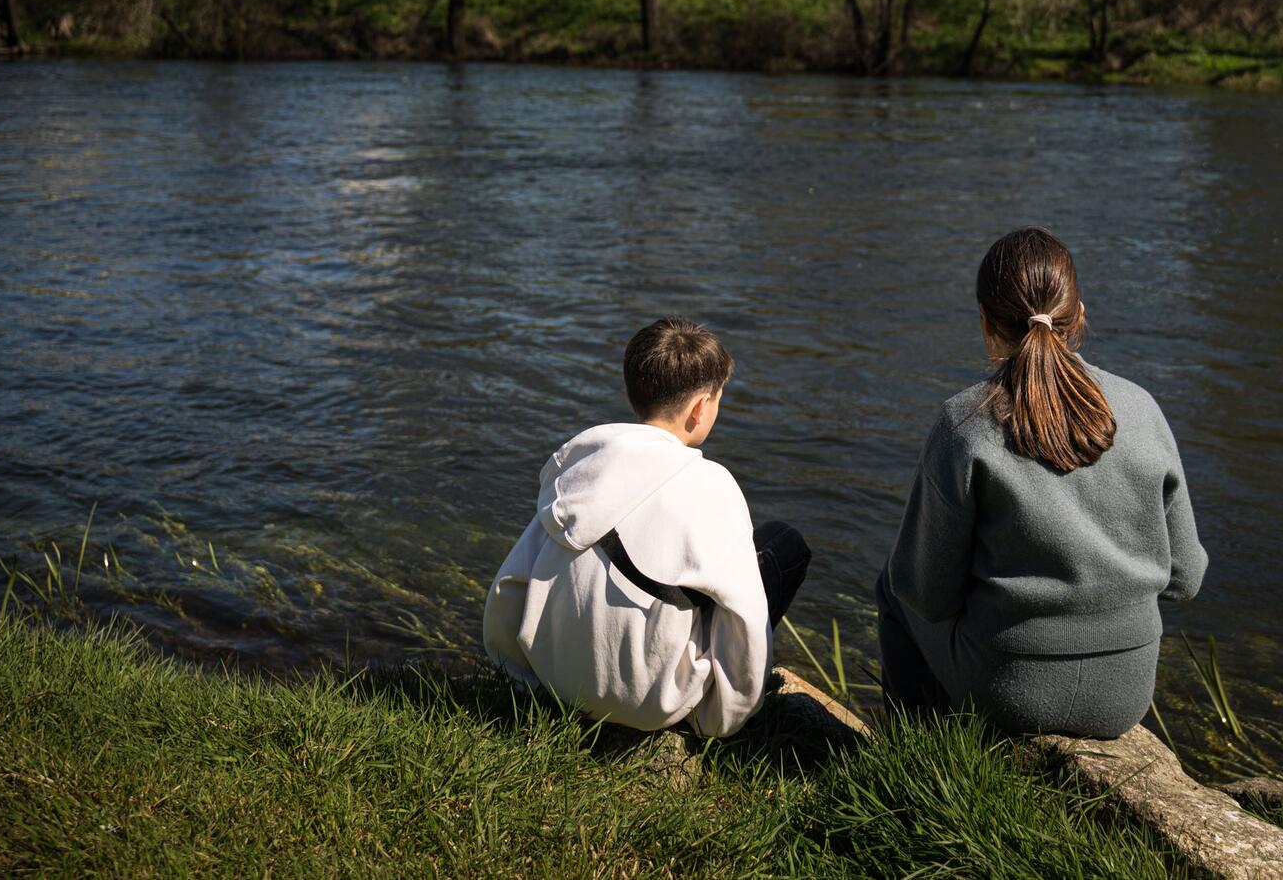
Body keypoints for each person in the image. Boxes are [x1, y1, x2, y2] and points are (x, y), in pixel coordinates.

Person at [875, 227, 1208, 738]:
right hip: (1127, 692)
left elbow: (926, 592)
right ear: (1080, 314)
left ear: (986, 321)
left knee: (892, 588)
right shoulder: (1142, 409)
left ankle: (917, 754)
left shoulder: (964, 424)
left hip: (1009, 685)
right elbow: (1186, 578)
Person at [482, 318, 809, 737]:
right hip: (652, 703)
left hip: (557, 682)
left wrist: (523, 676)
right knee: (782, 546)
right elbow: (743, 617)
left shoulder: (578, 470)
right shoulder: (712, 486)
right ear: (700, 409)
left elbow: (509, 585)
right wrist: (720, 720)